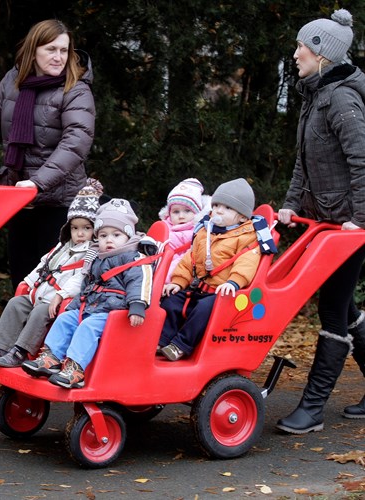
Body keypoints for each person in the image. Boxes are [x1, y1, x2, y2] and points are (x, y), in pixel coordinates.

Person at [275, 9, 365, 434]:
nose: (295, 54)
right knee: (344, 307)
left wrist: (359, 220)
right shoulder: (316, 95)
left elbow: (362, 162)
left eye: (301, 46)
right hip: (324, 220)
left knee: (332, 309)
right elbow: (304, 162)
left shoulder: (343, 98)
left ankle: (312, 408)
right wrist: (292, 205)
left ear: (322, 54)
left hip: (348, 227)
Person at [0, 19, 95, 287]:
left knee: (52, 284)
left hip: (59, 203)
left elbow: (76, 141)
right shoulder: (14, 80)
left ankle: (50, 331)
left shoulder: (75, 88)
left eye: (64, 51)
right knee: (21, 279)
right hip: (18, 197)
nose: (59, 57)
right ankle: (20, 330)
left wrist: (37, 182)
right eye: (51, 49)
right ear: (34, 50)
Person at [21, 199, 154, 389]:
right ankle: (51, 358)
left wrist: (137, 305)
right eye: (103, 235)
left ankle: (76, 369)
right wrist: (75, 305)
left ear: (128, 236)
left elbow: (139, 282)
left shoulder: (133, 259)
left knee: (88, 327)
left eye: (116, 235)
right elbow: (87, 287)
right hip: (91, 306)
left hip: (114, 312)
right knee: (66, 319)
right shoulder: (97, 260)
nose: (109, 240)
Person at [0, 178, 102, 367]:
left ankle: (21, 351)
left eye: (86, 228)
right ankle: (1, 346)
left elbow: (81, 279)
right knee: (16, 303)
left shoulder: (91, 253)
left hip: (57, 301)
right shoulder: (62, 246)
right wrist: (28, 282)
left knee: (39, 313)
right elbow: (43, 265)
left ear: (94, 230)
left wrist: (61, 295)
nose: (80, 233)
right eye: (75, 228)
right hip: (40, 293)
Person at [158, 178, 275, 361]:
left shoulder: (246, 236)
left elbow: (247, 261)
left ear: (243, 217)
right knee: (171, 301)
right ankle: (162, 341)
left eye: (228, 208)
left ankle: (180, 345)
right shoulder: (205, 231)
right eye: (217, 205)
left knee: (204, 310)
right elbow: (191, 259)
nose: (219, 210)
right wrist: (178, 282)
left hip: (221, 293)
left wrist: (234, 282)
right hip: (198, 288)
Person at [158, 178, 211, 280]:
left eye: (187, 211)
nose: (181, 216)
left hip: (179, 271)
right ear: (169, 213)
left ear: (197, 212)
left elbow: (188, 260)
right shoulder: (164, 226)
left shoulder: (198, 231)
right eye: (176, 212)